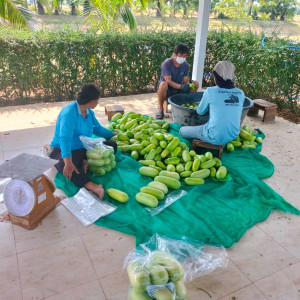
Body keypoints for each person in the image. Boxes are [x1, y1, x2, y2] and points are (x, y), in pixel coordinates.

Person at [48, 83, 117, 199]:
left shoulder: (90, 113)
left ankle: (84, 161)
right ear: (91, 101)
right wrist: (68, 163)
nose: (98, 102)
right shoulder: (69, 113)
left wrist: (112, 134)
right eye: (97, 100)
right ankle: (92, 186)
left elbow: (98, 129)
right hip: (63, 148)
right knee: (66, 166)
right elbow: (64, 139)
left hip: (82, 147)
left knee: (111, 145)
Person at [179, 61, 245, 145]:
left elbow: (200, 111)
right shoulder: (240, 93)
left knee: (182, 131)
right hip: (233, 135)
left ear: (216, 77)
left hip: (213, 135)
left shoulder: (210, 91)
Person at [156, 43, 199, 119]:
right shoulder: (167, 63)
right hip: (167, 89)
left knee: (195, 84)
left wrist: (187, 85)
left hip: (178, 88)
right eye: (181, 55)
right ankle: (160, 110)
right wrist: (181, 86)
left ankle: (187, 104)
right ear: (175, 54)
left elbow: (185, 80)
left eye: (185, 56)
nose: (183, 58)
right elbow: (168, 81)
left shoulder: (186, 65)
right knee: (163, 84)